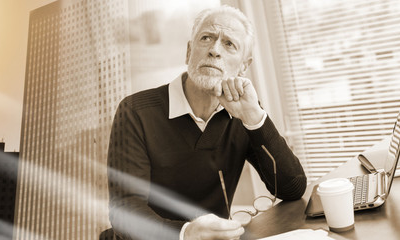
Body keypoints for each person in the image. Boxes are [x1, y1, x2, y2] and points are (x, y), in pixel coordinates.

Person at [107, 4, 306, 240]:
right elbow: (124, 211)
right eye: (206, 38)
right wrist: (185, 233)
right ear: (189, 51)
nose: (214, 50)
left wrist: (255, 119)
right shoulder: (134, 111)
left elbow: (291, 188)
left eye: (229, 44)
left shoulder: (244, 113)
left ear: (244, 65)